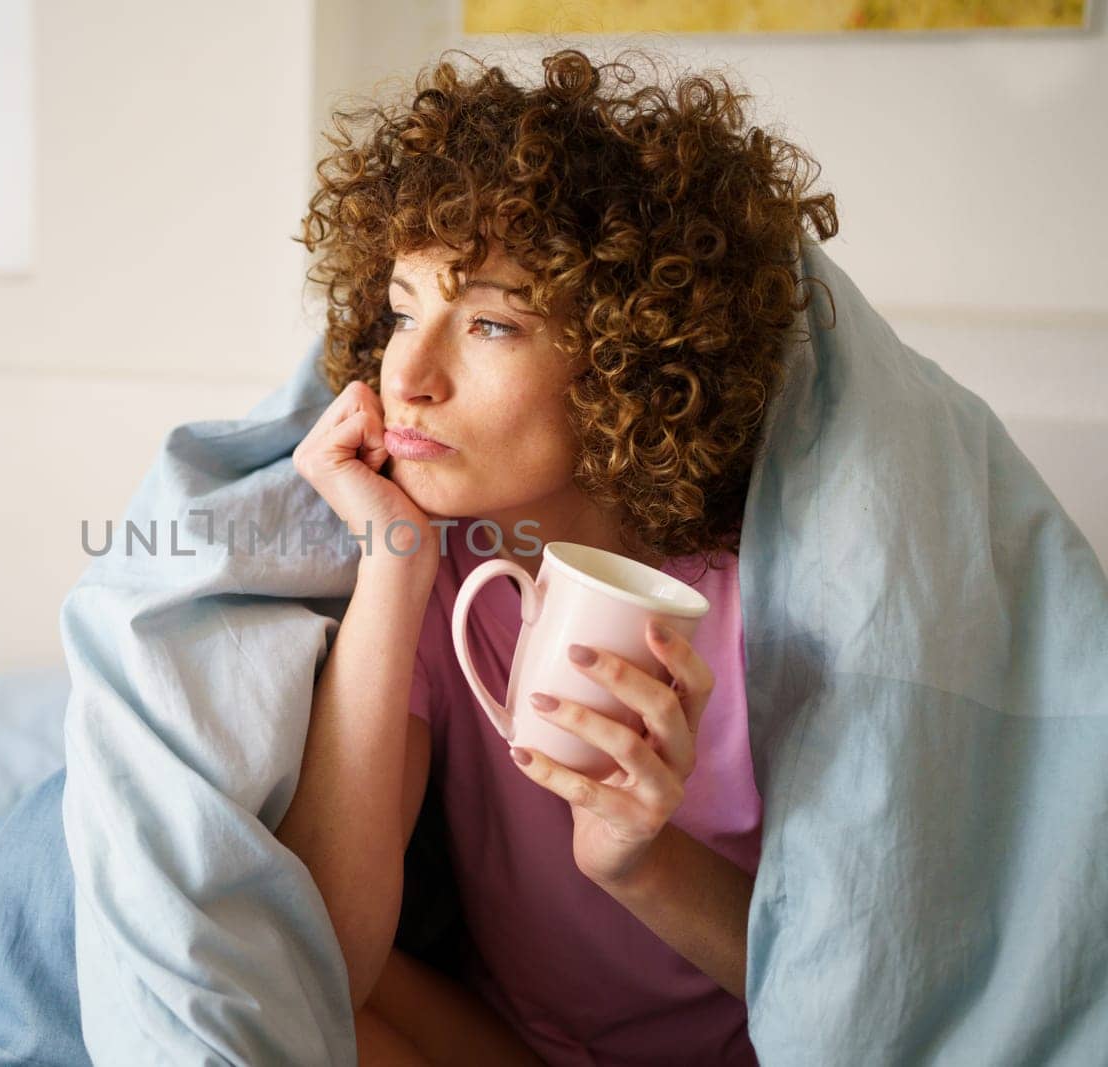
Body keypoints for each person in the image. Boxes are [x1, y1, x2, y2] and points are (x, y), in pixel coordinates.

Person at [273, 45, 838, 1065]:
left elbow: (861, 992)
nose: (409, 374)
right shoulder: (438, 571)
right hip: (510, 1039)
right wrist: (395, 564)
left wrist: (636, 859)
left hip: (749, 1047)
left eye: (489, 321)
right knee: (258, 992)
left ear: (632, 357)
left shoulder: (779, 596)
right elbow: (322, 963)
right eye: (402, 309)